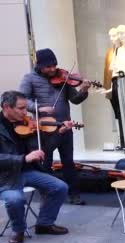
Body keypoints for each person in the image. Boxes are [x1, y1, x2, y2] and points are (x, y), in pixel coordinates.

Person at [19, 48, 90, 205]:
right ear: (39, 65)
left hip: (65, 124)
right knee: (46, 163)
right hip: (44, 129)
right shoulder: (29, 79)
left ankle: (74, 194)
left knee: (68, 162)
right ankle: (47, 194)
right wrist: (38, 108)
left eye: (54, 65)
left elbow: (75, 100)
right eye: (48, 67)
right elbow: (22, 100)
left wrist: (84, 90)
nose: (52, 69)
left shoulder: (63, 77)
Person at [0, 91, 69, 243]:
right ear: (6, 107)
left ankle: (44, 224)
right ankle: (18, 230)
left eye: (26, 108)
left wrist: (59, 133)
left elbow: (44, 149)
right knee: (15, 199)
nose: (26, 112)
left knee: (60, 187)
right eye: (21, 108)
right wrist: (23, 158)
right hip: (5, 177)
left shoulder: (27, 124)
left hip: (27, 172)